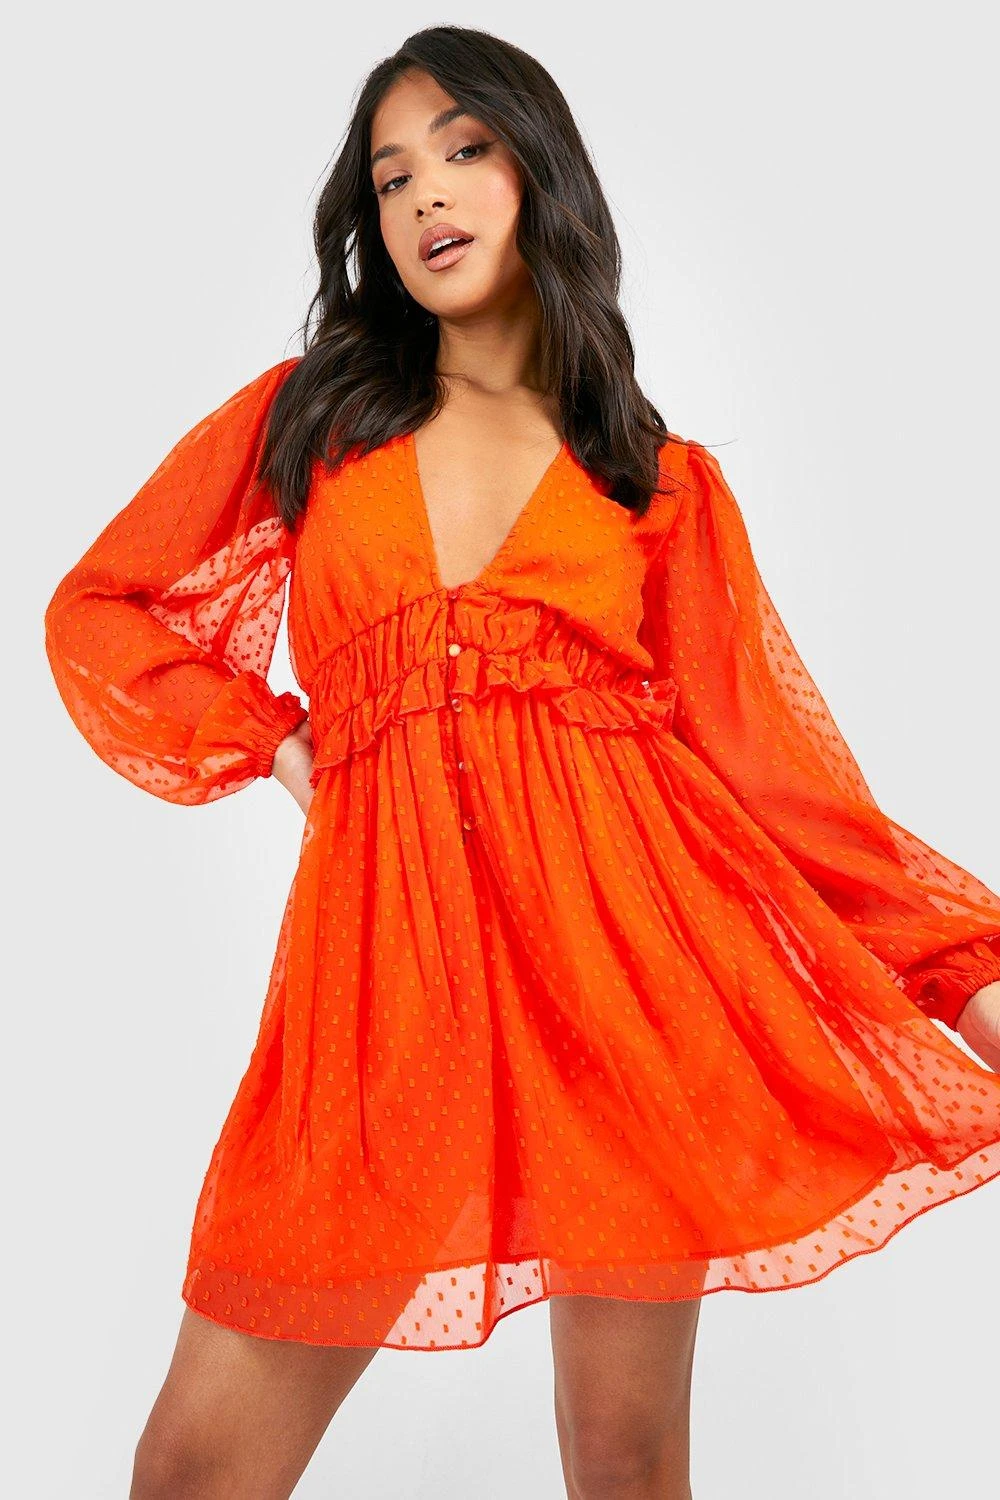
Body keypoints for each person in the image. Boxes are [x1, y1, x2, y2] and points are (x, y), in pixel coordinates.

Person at [43, 25, 1000, 1500]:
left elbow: (786, 796)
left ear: (539, 171)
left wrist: (972, 985)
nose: (426, 193)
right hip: (380, 994)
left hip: (630, 989)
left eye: (465, 148)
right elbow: (102, 610)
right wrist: (276, 738)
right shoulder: (314, 420)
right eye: (391, 177)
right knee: (195, 1469)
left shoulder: (652, 479)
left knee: (624, 1460)